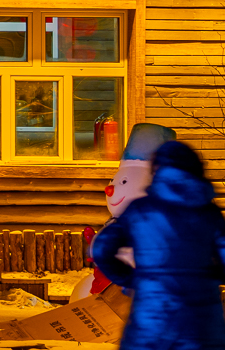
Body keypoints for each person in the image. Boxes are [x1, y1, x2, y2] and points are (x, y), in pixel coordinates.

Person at [91, 139, 225, 349]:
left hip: (151, 316)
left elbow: (101, 248)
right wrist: (206, 277)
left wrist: (133, 279)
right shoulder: (209, 214)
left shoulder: (141, 210)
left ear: (157, 170)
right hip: (202, 320)